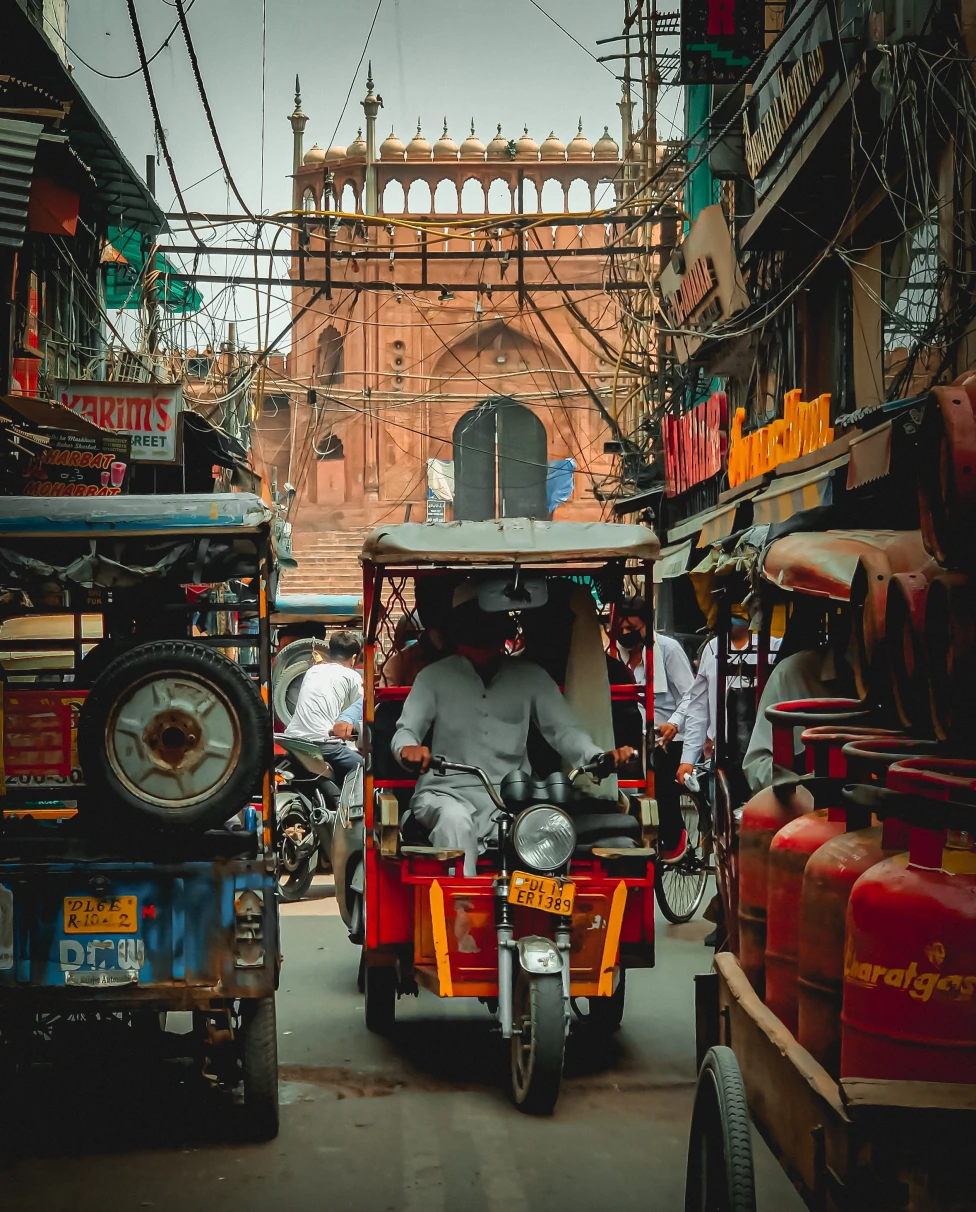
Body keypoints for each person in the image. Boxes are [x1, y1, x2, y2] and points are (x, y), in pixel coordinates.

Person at [392, 582, 635, 876]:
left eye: (489, 624)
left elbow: (564, 731)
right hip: (446, 794)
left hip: (513, 798)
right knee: (455, 822)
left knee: (553, 835)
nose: (483, 633)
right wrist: (408, 749)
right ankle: (460, 916)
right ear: (458, 631)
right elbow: (406, 730)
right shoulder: (433, 678)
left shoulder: (529, 676)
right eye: (475, 624)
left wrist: (597, 757)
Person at [663, 607, 782, 790]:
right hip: (722, 754)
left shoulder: (774, 647)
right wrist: (689, 758)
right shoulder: (711, 648)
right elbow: (698, 707)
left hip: (766, 753)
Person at [615, 594, 694, 859]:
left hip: (667, 736)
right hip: (631, 735)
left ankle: (674, 836)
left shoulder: (668, 650)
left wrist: (674, 723)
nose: (625, 634)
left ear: (646, 626)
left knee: (658, 776)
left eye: (632, 629)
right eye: (622, 629)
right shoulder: (615, 654)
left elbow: (691, 695)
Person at [283, 630, 364, 784]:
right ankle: (345, 807)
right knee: (364, 768)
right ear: (353, 659)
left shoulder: (312, 671)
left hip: (292, 740)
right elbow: (361, 706)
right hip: (321, 744)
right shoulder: (352, 676)